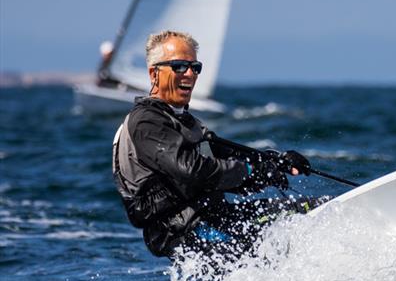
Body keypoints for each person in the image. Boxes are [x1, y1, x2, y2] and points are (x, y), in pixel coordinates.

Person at [112, 30, 316, 259]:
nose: (189, 74)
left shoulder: (185, 122)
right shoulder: (147, 122)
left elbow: (227, 162)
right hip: (188, 231)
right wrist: (252, 171)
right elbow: (193, 170)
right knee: (292, 223)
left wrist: (274, 163)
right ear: (154, 74)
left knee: (309, 208)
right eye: (179, 66)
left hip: (214, 217)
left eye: (195, 67)